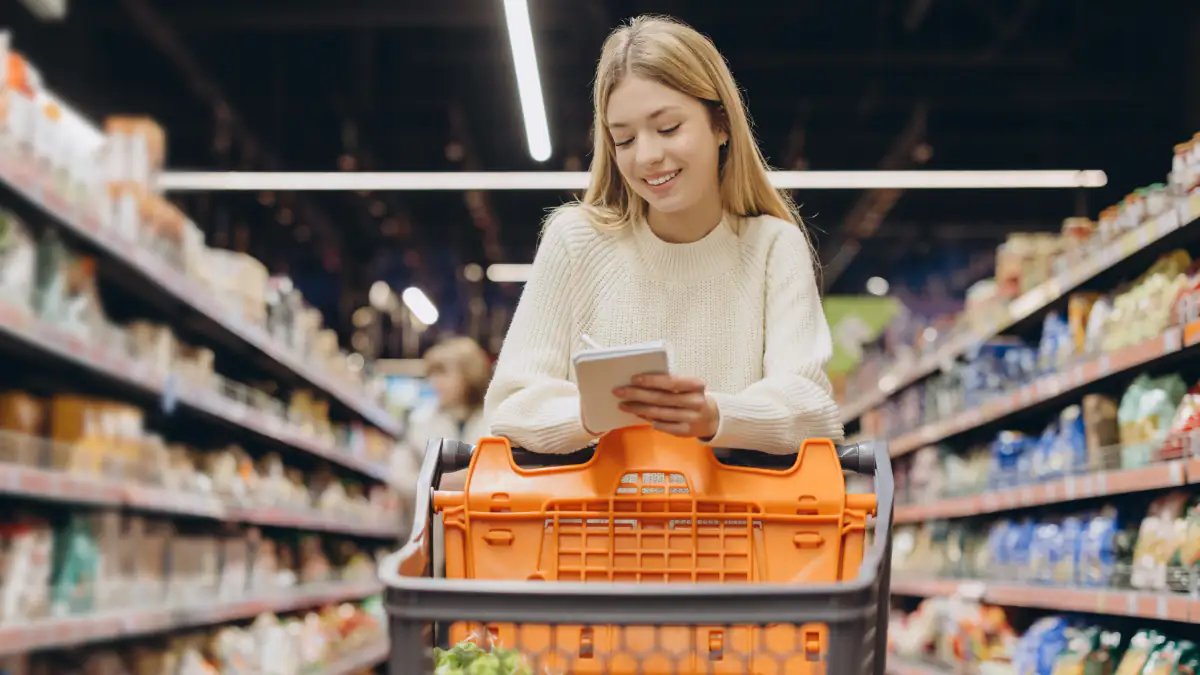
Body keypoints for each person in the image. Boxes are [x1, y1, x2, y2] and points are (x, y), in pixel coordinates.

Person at [482, 14, 843, 457]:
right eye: (624, 139)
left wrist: (715, 417)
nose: (648, 156)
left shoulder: (772, 247)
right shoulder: (575, 240)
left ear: (721, 124)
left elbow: (812, 409)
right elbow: (509, 407)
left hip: (733, 523)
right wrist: (590, 415)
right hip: (587, 523)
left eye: (668, 128)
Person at [394, 336, 492, 491]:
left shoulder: (495, 421)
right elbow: (399, 474)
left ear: (469, 374)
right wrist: (432, 483)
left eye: (443, 374)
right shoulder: (418, 421)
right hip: (436, 513)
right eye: (432, 375)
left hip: (483, 512)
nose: (435, 382)